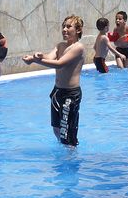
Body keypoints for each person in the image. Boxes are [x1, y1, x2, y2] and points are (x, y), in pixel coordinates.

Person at [24, 16, 86, 146]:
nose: (64, 29)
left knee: (67, 131)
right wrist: (39, 56)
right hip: (57, 92)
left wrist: (35, 60)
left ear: (78, 30)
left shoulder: (78, 47)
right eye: (63, 26)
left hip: (71, 95)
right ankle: (64, 152)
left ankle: (71, 156)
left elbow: (59, 64)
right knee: (57, 128)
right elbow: (50, 57)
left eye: (68, 26)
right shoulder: (60, 45)